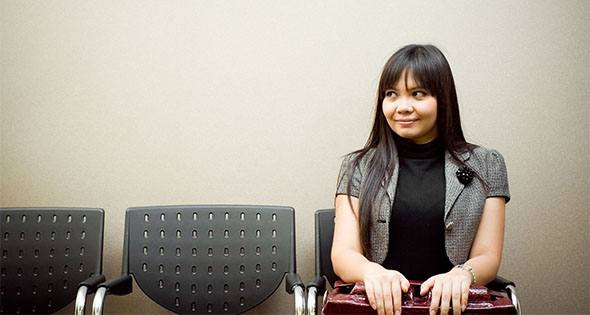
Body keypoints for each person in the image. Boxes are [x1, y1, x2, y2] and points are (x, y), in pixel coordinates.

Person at [331, 44, 510, 315]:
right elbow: (343, 253)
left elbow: (488, 255)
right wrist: (374, 273)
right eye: (392, 94)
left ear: (443, 99)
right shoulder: (357, 166)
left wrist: (462, 275)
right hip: (377, 308)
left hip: (453, 309)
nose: (403, 107)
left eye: (417, 94)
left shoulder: (487, 164)